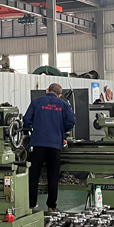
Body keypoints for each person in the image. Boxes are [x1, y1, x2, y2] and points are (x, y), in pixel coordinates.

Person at [23, 83, 76, 213]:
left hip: (38, 144)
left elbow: (26, 119)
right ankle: (51, 206)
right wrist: (61, 130)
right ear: (59, 95)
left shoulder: (36, 102)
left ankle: (31, 205)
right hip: (55, 146)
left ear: (47, 90)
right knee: (53, 177)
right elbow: (71, 121)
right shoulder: (64, 105)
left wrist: (27, 131)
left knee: (33, 176)